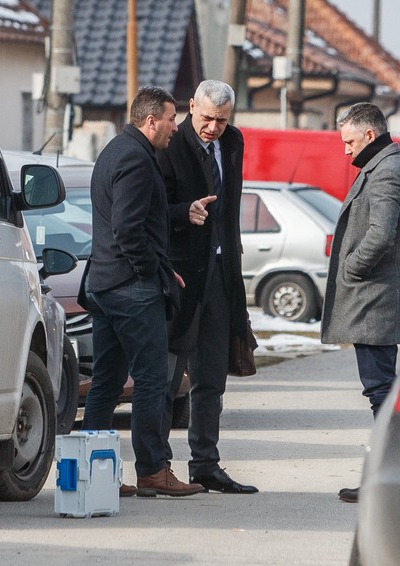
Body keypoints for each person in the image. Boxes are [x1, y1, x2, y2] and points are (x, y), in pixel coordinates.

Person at [80, 86, 204, 498]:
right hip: (131, 289)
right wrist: (154, 273)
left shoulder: (117, 150)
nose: (175, 126)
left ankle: (97, 475)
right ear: (150, 120)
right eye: (171, 118)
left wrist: (178, 212)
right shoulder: (135, 158)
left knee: (107, 382)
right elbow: (127, 228)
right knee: (152, 379)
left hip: (104, 284)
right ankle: (154, 469)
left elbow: (139, 215)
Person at [156, 80, 258, 494]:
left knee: (212, 378)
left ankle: (205, 464)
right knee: (166, 378)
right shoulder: (170, 145)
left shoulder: (233, 142)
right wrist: (185, 213)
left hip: (222, 275)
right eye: (206, 118)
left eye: (221, 120)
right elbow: (154, 207)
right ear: (190, 106)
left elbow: (230, 210)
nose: (213, 127)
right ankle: (156, 465)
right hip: (181, 277)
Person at [320, 102, 400, 503]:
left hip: (376, 296)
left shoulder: (388, 172)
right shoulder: (386, 165)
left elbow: (381, 234)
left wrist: (352, 268)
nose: (345, 151)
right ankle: (390, 476)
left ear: (369, 135)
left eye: (349, 142)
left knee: (380, 390)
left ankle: (387, 479)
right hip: (375, 295)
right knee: (381, 389)